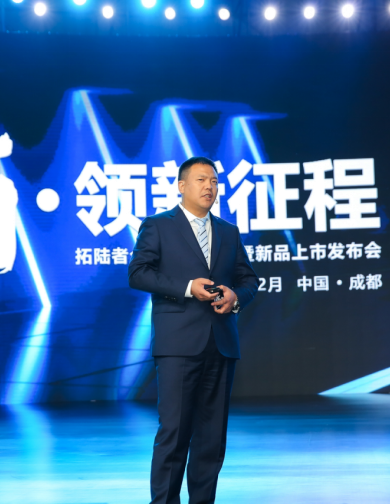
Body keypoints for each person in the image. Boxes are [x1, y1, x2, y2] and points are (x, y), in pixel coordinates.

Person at [128, 156, 258, 504]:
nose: (209, 186)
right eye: (201, 180)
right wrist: (187, 288)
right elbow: (138, 273)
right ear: (182, 186)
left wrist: (235, 296)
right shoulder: (158, 225)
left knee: (212, 437)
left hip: (221, 343)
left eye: (214, 181)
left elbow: (249, 280)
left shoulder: (228, 231)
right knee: (174, 432)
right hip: (178, 344)